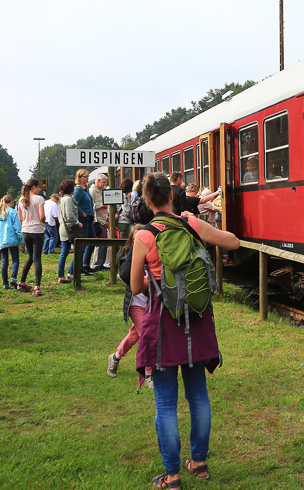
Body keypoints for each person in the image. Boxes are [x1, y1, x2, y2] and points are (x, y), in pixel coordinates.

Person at [130, 172, 240, 489]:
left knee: (165, 403)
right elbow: (232, 241)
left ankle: (173, 475)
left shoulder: (145, 236)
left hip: (163, 325)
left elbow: (136, 285)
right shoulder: (190, 224)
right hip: (198, 319)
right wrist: (195, 220)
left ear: (149, 201)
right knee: (198, 396)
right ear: (172, 196)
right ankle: (200, 463)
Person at [106, 229, 149, 378]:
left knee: (134, 335)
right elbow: (125, 276)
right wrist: (135, 254)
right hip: (136, 303)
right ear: (132, 241)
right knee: (147, 336)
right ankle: (149, 373)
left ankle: (115, 357)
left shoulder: (152, 254)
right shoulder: (126, 257)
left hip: (150, 303)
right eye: (137, 239)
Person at [17, 179, 46, 295]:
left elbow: (20, 217)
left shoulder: (21, 199)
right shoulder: (39, 199)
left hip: (25, 230)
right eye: (39, 187)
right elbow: (42, 216)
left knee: (30, 257)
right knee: (37, 258)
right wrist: (42, 222)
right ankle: (37, 286)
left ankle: (22, 282)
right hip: (37, 230)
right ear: (34, 187)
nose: (39, 189)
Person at [0, 194, 22, 289]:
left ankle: (5, 283)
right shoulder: (14, 213)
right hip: (12, 239)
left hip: (1, 240)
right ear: (11, 202)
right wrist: (21, 239)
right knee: (15, 259)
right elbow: (18, 227)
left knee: (5, 261)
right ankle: (13, 278)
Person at [57, 179, 82, 283]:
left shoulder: (62, 199)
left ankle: (61, 275)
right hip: (70, 228)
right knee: (78, 251)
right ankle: (69, 273)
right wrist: (77, 223)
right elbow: (69, 215)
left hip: (64, 228)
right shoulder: (68, 199)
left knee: (65, 252)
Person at [73, 169, 97, 274]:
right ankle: (80, 267)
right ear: (79, 177)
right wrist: (82, 213)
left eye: (88, 176)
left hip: (90, 218)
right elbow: (74, 203)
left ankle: (86, 264)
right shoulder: (78, 190)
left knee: (93, 240)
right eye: (85, 176)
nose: (87, 178)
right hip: (84, 218)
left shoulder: (86, 188)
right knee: (83, 243)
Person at [90, 173, 110, 271]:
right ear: (98, 180)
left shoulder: (98, 190)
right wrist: (103, 204)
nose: (104, 185)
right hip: (98, 220)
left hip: (102, 219)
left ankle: (100, 263)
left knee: (103, 244)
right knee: (100, 244)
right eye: (104, 183)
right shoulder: (93, 191)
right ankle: (96, 264)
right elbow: (92, 206)